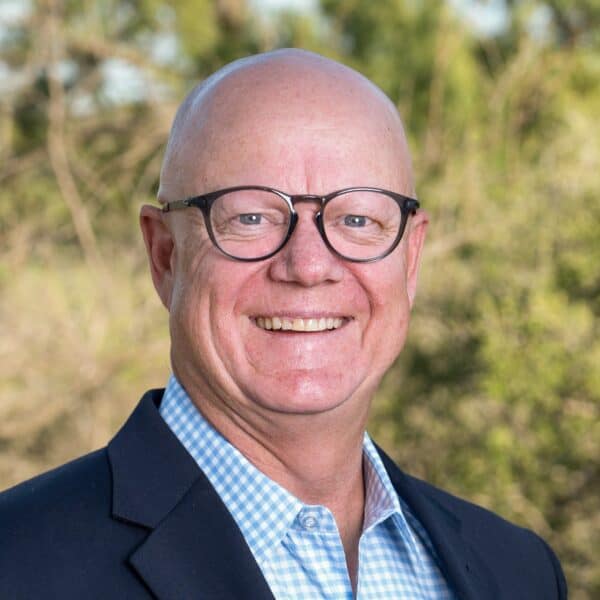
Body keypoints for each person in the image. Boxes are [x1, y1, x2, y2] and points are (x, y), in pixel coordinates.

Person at [0, 49, 566, 599]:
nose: (308, 266)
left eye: (357, 218)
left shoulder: (518, 570)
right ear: (165, 256)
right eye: (250, 217)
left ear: (411, 259)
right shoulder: (18, 562)